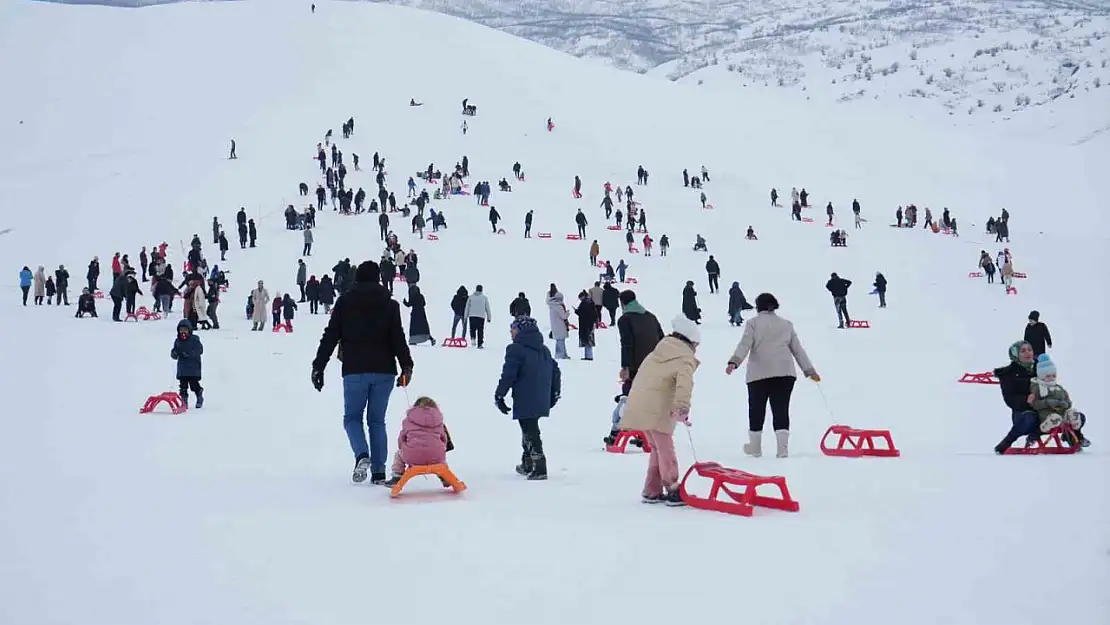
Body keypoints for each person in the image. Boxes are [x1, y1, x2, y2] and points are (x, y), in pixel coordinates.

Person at [312, 261, 414, 485]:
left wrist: (318, 365)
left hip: (355, 369)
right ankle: (378, 472)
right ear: (378, 278)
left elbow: (330, 336)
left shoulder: (345, 303)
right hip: (385, 370)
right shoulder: (390, 305)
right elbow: (398, 337)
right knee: (377, 421)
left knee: (352, 418)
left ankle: (362, 455)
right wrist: (407, 365)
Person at [619, 315, 700, 505]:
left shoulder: (657, 352)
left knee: (657, 448)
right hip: (658, 408)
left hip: (640, 404)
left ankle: (651, 489)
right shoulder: (684, 357)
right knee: (665, 449)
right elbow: (684, 385)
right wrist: (681, 407)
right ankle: (673, 488)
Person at [725, 293, 818, 458]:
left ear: (758, 306)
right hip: (785, 373)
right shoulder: (786, 324)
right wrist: (809, 370)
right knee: (781, 409)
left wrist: (734, 361)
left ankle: (755, 448)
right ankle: (782, 449)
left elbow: (745, 344)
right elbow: (798, 350)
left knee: (756, 409)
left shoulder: (753, 323)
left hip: (759, 373)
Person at [494, 316, 562, 480]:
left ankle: (539, 466)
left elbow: (508, 375)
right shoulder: (543, 349)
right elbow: (555, 371)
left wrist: (500, 394)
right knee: (529, 427)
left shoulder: (515, 349)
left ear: (520, 330)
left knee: (530, 430)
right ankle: (527, 463)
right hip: (541, 396)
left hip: (526, 396)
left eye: (513, 328)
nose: (511, 331)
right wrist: (554, 393)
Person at [607, 290, 664, 445]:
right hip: (655, 365)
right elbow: (662, 339)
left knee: (628, 398)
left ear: (622, 303)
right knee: (646, 399)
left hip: (637, 367)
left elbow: (627, 344)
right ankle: (644, 433)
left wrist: (625, 367)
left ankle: (616, 432)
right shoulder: (651, 317)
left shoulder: (625, 319)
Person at [384, 396, 454, 486]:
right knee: (440, 455)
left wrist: (404, 447)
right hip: (435, 457)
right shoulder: (439, 421)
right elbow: (444, 439)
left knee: (398, 455)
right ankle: (445, 476)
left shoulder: (408, 421)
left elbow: (402, 438)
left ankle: (396, 477)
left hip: (412, 456)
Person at [1027, 353, 1089, 447]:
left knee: (1075, 414)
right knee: (1054, 418)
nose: (1051, 378)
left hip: (1062, 414)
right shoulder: (1038, 388)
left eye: (1053, 375)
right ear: (1041, 376)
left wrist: (1065, 404)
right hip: (1046, 416)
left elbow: (1068, 402)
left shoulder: (1059, 388)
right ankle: (1035, 434)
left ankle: (1077, 437)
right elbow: (1035, 404)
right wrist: (1047, 403)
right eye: (1048, 376)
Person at [992, 341, 1039, 453]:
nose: (1028, 353)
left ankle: (1074, 438)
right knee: (1030, 418)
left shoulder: (1041, 368)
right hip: (1023, 413)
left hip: (1045, 409)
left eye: (1030, 349)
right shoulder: (1009, 374)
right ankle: (1006, 443)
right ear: (1015, 355)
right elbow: (1010, 399)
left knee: (1075, 416)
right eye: (1023, 351)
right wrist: (1025, 400)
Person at [170, 319, 204, 409]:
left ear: (189, 330)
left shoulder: (194, 339)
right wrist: (174, 353)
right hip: (182, 368)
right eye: (181, 330)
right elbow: (175, 351)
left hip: (193, 368)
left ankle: (199, 394)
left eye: (185, 330)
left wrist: (191, 353)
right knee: (183, 386)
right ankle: (184, 401)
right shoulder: (178, 341)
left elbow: (200, 350)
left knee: (194, 385)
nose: (183, 332)